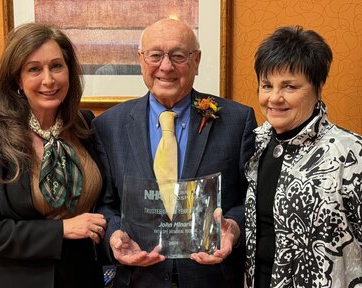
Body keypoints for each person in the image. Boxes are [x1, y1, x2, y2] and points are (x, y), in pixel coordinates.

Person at [93, 18, 257, 288]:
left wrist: (235, 229)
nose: (166, 66)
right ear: (141, 60)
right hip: (138, 279)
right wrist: (113, 235)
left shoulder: (237, 121)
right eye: (155, 55)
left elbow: (252, 201)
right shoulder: (108, 125)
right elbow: (105, 205)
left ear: (196, 61)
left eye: (178, 56)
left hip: (211, 278)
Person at [0, 23, 107, 288]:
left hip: (83, 277)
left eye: (56, 66)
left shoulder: (84, 125)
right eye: (34, 69)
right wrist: (61, 230)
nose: (49, 80)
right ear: (17, 78)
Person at [244, 26, 362, 288]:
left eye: (290, 86)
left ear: (317, 87)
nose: (274, 98)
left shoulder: (350, 153)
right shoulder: (256, 144)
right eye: (267, 85)